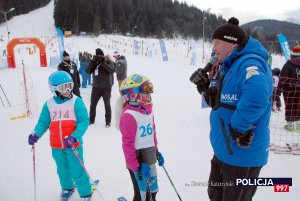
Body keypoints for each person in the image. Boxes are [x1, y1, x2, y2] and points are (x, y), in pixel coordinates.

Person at [190, 17, 273, 201]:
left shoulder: (250, 63)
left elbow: (257, 96)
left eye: (217, 43)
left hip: (242, 158)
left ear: (231, 42)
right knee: (215, 195)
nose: (213, 48)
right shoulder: (229, 65)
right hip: (224, 152)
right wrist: (205, 87)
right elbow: (222, 103)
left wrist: (238, 128)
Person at [27, 71, 92, 201]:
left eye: (69, 85)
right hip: (57, 145)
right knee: (62, 170)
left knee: (77, 169)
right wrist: (36, 134)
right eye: (63, 87)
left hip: (73, 144)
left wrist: (75, 136)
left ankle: (85, 193)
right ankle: (67, 188)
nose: (68, 90)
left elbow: (84, 121)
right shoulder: (49, 104)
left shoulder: (76, 102)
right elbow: (43, 122)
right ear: (54, 89)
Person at [119, 74, 164, 201]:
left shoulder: (148, 110)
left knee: (153, 190)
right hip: (137, 159)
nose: (150, 93)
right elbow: (127, 144)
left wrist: (156, 150)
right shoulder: (129, 115)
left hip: (149, 155)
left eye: (150, 89)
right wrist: (135, 167)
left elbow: (152, 132)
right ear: (133, 95)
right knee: (142, 193)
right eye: (146, 90)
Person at [86, 48, 115, 127]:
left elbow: (111, 70)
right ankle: (91, 120)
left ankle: (108, 122)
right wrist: (93, 61)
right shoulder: (95, 63)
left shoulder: (108, 61)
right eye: (97, 55)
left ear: (103, 55)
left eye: (100, 55)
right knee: (92, 105)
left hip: (106, 88)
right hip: (96, 88)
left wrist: (103, 62)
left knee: (107, 105)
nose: (99, 57)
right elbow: (87, 71)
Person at [278, 45, 300, 131]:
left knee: (290, 106)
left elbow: (282, 78)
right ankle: (298, 125)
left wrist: (278, 91)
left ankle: (290, 126)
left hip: (289, 91)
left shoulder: (288, 64)